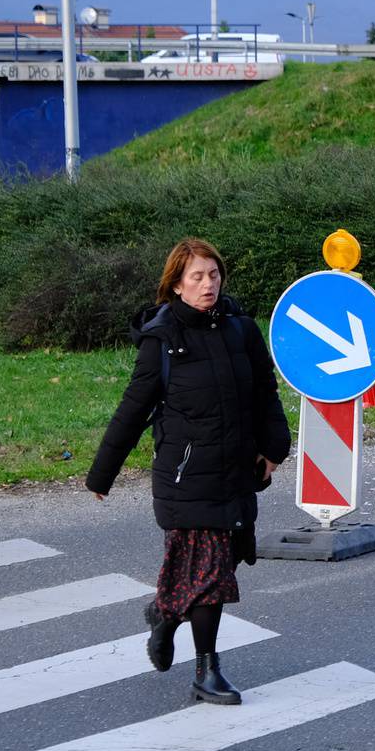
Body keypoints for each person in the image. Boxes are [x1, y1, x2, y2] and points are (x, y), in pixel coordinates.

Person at [88, 237, 292, 706]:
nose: (207, 285)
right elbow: (132, 409)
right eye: (197, 277)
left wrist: (275, 448)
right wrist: (103, 475)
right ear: (176, 284)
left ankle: (164, 612)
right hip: (187, 477)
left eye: (214, 275)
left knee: (221, 563)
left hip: (237, 470)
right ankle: (207, 671)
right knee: (212, 575)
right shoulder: (162, 341)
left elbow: (264, 392)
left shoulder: (241, 329)